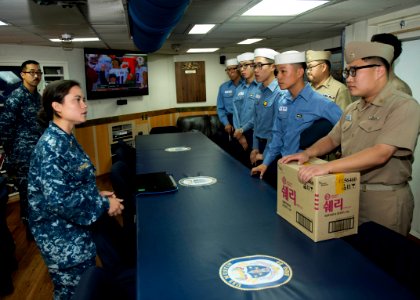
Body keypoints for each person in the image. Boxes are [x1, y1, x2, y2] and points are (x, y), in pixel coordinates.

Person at [280, 41, 420, 236]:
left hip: (382, 201)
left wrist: (326, 167)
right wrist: (307, 153)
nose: (349, 79)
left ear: (379, 70)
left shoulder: (404, 106)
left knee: (382, 261)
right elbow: (331, 139)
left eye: (354, 71)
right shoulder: (353, 108)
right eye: (347, 73)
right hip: (347, 194)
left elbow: (381, 153)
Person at [27, 80, 124, 299]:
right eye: (77, 100)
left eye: (84, 99)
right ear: (57, 106)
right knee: (74, 293)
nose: (84, 105)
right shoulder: (51, 147)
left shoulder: (66, 138)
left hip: (75, 232)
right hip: (61, 238)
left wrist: (96, 194)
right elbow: (61, 201)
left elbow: (73, 184)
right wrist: (105, 204)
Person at [251, 51, 342, 188]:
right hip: (284, 166)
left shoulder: (321, 103)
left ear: (299, 72)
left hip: (306, 172)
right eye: (277, 72)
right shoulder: (283, 101)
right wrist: (266, 163)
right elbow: (277, 136)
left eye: (283, 72)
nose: (279, 77)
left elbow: (346, 130)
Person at [0, 60, 44, 239]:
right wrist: (12, 154)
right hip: (23, 155)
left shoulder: (38, 97)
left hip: (39, 151)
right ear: (22, 75)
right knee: (27, 192)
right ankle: (30, 230)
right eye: (32, 72)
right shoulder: (16, 97)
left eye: (38, 73)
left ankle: (40, 224)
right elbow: (5, 128)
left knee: (40, 189)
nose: (36, 76)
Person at [250, 48, 284, 166]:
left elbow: (276, 130)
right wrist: (255, 148)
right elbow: (256, 122)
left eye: (260, 65)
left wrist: (265, 154)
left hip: (272, 149)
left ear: (272, 67)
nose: (256, 70)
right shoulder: (259, 90)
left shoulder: (279, 93)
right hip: (259, 145)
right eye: (254, 66)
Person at [231, 52, 258, 165]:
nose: (242, 69)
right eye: (240, 66)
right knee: (238, 167)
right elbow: (235, 112)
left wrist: (243, 130)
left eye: (245, 65)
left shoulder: (261, 88)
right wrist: (239, 132)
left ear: (254, 66)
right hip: (238, 134)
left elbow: (258, 115)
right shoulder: (239, 88)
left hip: (254, 134)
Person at [216, 58, 241, 145]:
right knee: (230, 149)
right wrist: (226, 123)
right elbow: (220, 108)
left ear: (239, 69)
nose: (231, 72)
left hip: (244, 121)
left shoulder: (247, 85)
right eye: (228, 69)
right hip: (229, 121)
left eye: (233, 69)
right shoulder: (223, 87)